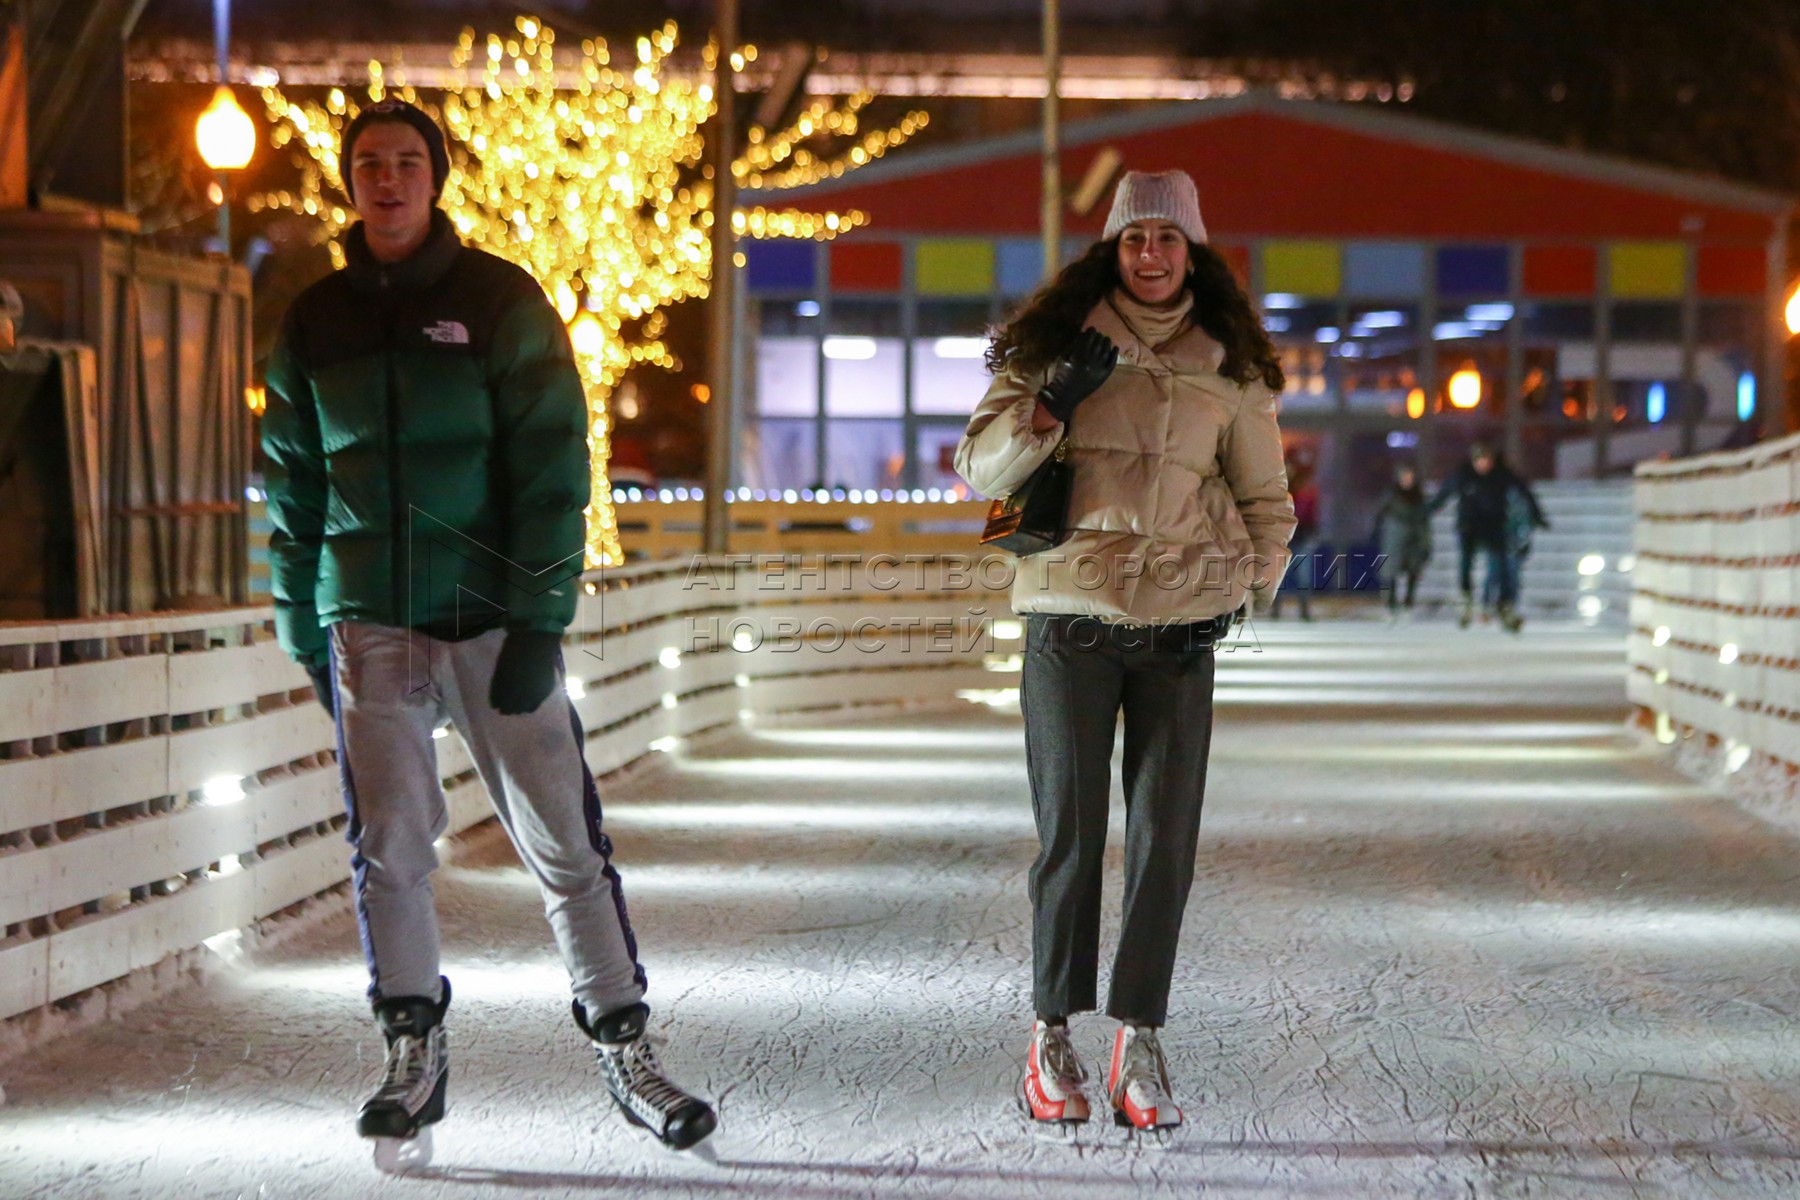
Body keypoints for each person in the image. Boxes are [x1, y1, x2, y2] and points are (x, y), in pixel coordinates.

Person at [261, 99, 715, 1162]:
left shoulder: (499, 300)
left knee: (564, 841)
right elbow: (294, 483)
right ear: (350, 182)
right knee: (389, 848)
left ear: (437, 177)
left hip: (490, 623)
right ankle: (411, 1053)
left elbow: (552, 464)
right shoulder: (315, 318)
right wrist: (302, 625)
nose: (387, 179)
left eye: (406, 161)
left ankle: (625, 1043)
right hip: (369, 619)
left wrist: (540, 618)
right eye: (368, 163)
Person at [955, 170, 1295, 1136]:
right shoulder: (1057, 342)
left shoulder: (1230, 364)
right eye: (1136, 238)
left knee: (1164, 842)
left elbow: (1266, 500)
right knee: (1070, 835)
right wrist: (1052, 403)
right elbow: (979, 467)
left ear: (1193, 252)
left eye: (1168, 239)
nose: (1151, 254)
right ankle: (1051, 1036)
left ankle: (1138, 1041)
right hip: (1071, 618)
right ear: (1114, 247)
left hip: (1181, 630)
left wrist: (1245, 588)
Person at [1428, 440, 1547, 632]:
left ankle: (1505, 603)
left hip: (1493, 525)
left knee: (1501, 564)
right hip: (1469, 526)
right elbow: (1443, 495)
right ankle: (1466, 596)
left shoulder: (1502, 474)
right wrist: (1426, 511)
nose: (1484, 465)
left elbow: (1525, 492)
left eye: (1487, 461)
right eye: (1480, 461)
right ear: (1474, 461)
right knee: (1466, 561)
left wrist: (1538, 516)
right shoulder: (1463, 475)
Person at [1371, 462, 1431, 616]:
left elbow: (1424, 519)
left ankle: (1409, 600)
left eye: (1410, 477)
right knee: (1392, 568)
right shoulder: (1392, 496)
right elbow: (1380, 514)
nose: (1408, 480)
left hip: (1414, 537)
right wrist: (1377, 532)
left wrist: (1426, 541)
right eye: (1405, 476)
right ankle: (1391, 600)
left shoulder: (1419, 497)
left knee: (1413, 567)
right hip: (1395, 536)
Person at [1268, 448, 1317, 620]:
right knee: (1281, 576)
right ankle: (1277, 610)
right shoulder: (1282, 489)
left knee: (1301, 575)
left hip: (1300, 537)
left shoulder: (1304, 490)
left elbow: (1310, 515)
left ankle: (1303, 610)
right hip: (1285, 538)